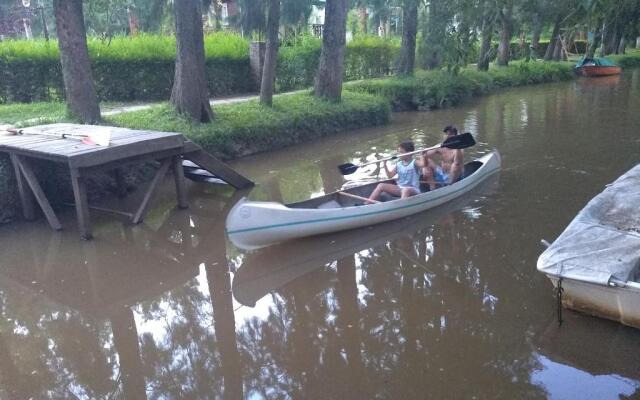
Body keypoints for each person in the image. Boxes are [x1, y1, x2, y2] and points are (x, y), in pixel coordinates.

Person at [421, 126, 464, 190]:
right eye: (446, 134)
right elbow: (425, 155)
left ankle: (448, 187)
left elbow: (457, 162)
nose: (447, 136)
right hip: (442, 173)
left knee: (455, 165)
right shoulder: (440, 146)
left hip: (454, 177)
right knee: (427, 162)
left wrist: (458, 146)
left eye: (450, 134)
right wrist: (424, 153)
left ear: (455, 136)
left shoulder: (459, 149)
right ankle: (432, 187)